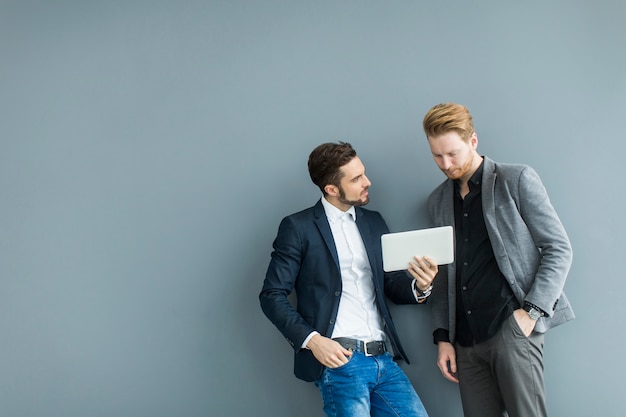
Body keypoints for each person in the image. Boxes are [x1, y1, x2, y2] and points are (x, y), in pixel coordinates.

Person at [260, 142, 437, 417]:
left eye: (363, 173)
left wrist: (420, 286)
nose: (368, 182)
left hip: (384, 359)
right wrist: (314, 341)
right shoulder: (298, 227)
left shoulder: (374, 221)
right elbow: (272, 295)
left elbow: (389, 284)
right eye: (356, 179)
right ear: (331, 189)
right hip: (342, 361)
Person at [422, 102, 574, 417]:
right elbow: (444, 277)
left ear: (472, 141)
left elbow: (558, 248)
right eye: (437, 155)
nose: (446, 163)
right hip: (464, 342)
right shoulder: (437, 201)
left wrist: (531, 312)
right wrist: (443, 338)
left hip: (511, 328)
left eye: (452, 153)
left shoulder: (515, 179)